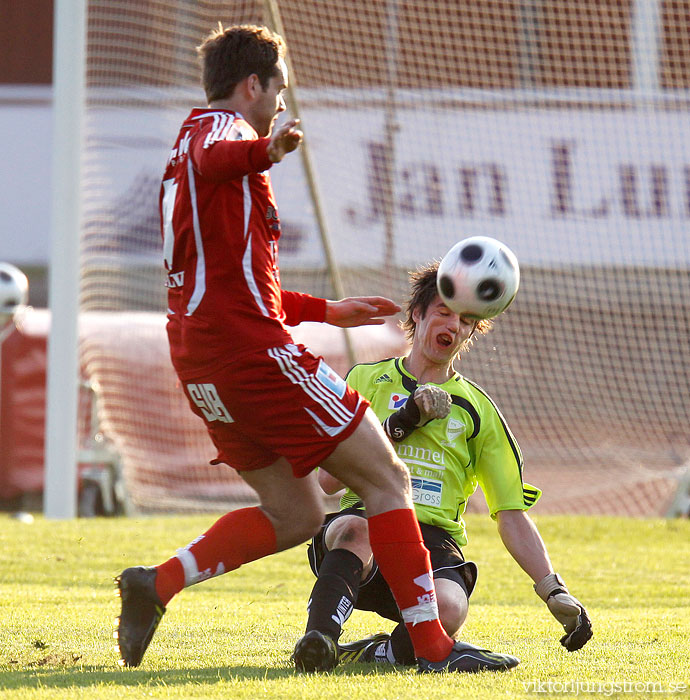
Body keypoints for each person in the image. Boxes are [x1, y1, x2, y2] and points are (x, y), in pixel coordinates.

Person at [114, 24, 518, 674]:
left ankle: (153, 584)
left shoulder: (200, 158)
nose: (280, 103)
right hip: (248, 354)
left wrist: (329, 311)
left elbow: (250, 287)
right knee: (389, 477)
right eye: (278, 89)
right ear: (253, 85)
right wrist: (265, 151)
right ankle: (435, 648)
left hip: (204, 363)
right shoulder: (217, 134)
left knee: (298, 511)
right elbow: (218, 157)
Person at [298, 262, 592, 669]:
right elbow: (328, 480)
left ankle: (378, 653)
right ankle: (319, 641)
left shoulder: (479, 411)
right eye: (444, 311)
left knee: (452, 609)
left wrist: (552, 589)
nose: (453, 325)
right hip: (367, 530)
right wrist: (400, 425)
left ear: (472, 332)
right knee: (355, 527)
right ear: (417, 314)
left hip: (434, 541)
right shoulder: (366, 380)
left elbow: (511, 514)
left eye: (466, 320)